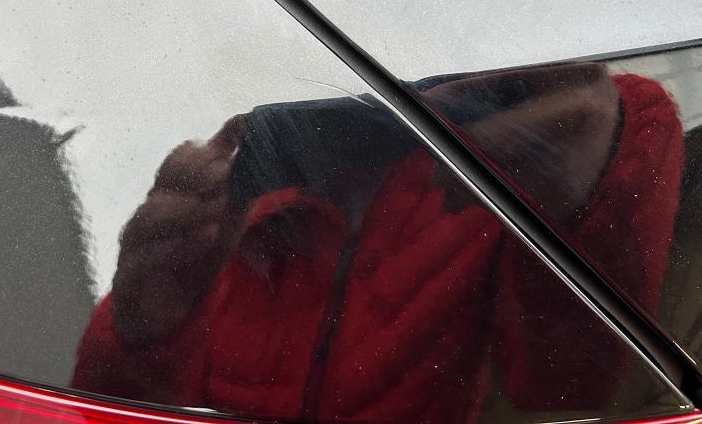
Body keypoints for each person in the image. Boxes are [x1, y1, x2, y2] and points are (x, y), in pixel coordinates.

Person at [72, 64, 685, 422]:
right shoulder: (224, 191)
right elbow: (100, 402)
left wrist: (599, 173)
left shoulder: (523, 146)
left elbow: (569, 387)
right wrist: (142, 330)